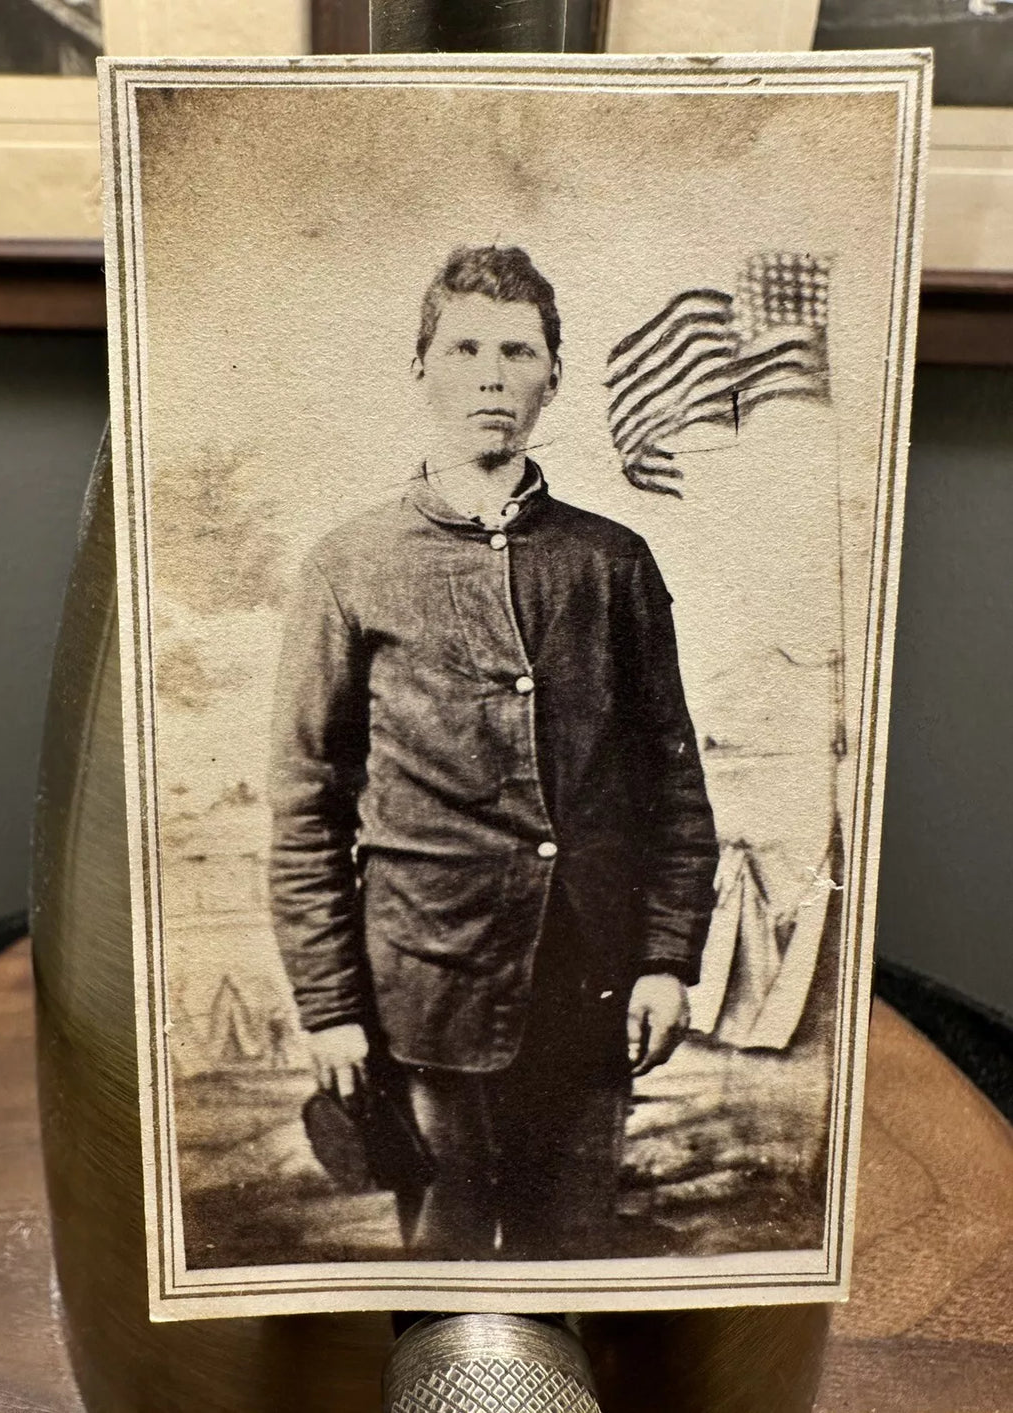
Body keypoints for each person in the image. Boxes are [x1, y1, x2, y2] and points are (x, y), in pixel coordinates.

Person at [269, 245, 718, 1260]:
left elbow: (673, 788)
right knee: (447, 1256)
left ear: (553, 376)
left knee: (576, 1255)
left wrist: (664, 959)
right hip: (424, 989)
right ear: (419, 366)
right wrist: (332, 1007)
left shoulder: (610, 563)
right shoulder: (351, 566)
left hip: (588, 984)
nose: (490, 373)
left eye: (518, 351)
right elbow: (305, 805)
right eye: (463, 346)